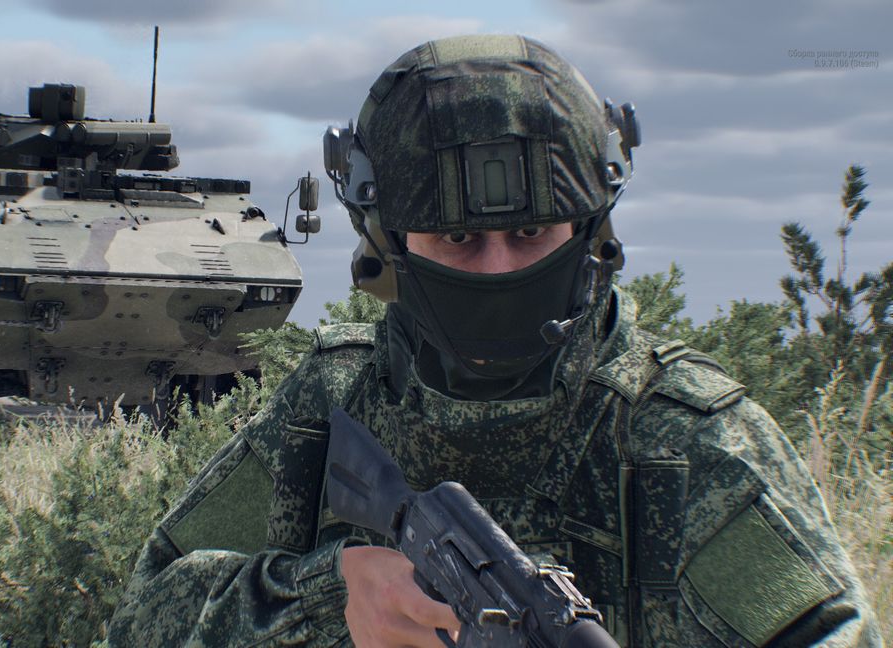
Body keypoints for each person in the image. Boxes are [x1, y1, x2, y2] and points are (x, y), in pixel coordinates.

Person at [109, 35, 883, 647]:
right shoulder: (334, 400)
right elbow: (144, 618)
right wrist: (324, 597)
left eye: (531, 232)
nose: (501, 269)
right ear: (389, 241)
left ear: (589, 229)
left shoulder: (687, 442)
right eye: (457, 238)